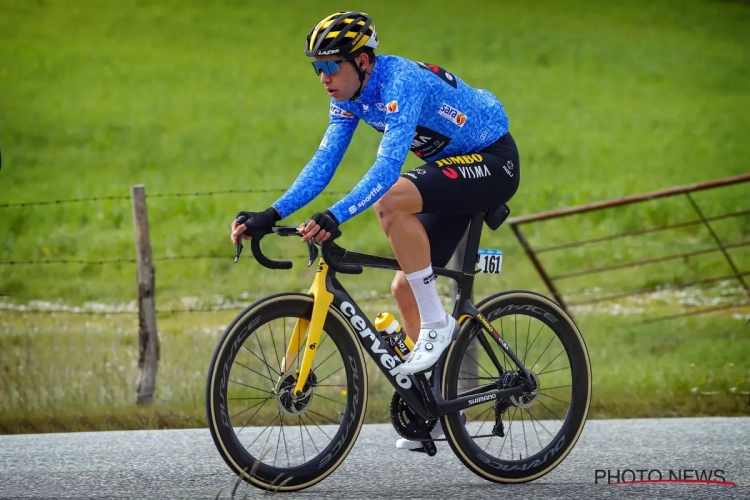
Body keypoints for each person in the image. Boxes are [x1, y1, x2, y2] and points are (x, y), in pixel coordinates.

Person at [230, 11, 520, 448]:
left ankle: (439, 326)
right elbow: (325, 162)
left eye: (331, 65)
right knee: (405, 285)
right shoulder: (347, 97)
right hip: (452, 168)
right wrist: (271, 213)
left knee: (391, 202)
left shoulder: (399, 82)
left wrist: (336, 215)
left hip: (493, 160)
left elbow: (387, 170)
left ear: (363, 61)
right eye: (317, 67)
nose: (323, 76)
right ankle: (436, 410)